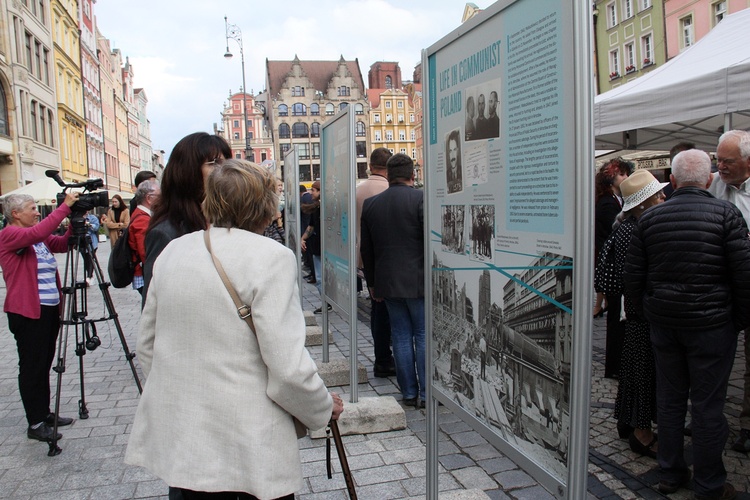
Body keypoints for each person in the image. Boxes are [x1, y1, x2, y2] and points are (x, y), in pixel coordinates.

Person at [125, 159, 343, 499]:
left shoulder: (174, 250)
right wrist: (322, 407)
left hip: (187, 439)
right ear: (266, 206)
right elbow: (287, 366)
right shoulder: (271, 256)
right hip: (249, 439)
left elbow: (148, 345)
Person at [624, 149, 750, 499]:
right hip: (712, 327)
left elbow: (632, 280)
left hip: (666, 325)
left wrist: (650, 310)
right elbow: (744, 276)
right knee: (709, 407)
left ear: (674, 181)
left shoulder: (648, 221)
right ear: (708, 179)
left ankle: (669, 473)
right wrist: (736, 321)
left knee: (670, 401)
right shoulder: (727, 213)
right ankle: (709, 485)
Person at [595, 170, 668, 457]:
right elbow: (637, 276)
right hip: (641, 313)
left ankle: (627, 421)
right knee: (642, 372)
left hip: (633, 312)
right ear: (642, 204)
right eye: (658, 195)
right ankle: (641, 432)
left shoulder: (625, 228)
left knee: (633, 370)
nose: (664, 198)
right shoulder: (636, 230)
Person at [0, 191, 80, 443]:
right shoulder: (10, 234)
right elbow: (37, 233)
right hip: (27, 311)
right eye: (33, 208)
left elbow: (60, 244)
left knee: (44, 363)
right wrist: (64, 208)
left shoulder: (36, 238)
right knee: (32, 366)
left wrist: (75, 226)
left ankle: (44, 413)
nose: (37, 212)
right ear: (15, 214)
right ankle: (34, 422)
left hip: (47, 309)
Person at [361, 153, 425, 408]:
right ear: (412, 175)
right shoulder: (422, 199)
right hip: (418, 281)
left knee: (399, 335)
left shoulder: (372, 204)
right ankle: (427, 393)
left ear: (388, 175)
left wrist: (372, 283)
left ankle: (408, 392)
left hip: (388, 281)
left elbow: (367, 249)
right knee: (421, 334)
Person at [142, 132, 232, 305]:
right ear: (188, 172)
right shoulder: (166, 233)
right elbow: (153, 305)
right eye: (215, 163)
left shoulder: (224, 221)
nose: (225, 170)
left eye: (227, 162)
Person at [707, 129, 750, 454]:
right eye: (718, 159)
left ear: (747, 162)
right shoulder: (711, 185)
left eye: (728, 161)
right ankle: (708, 417)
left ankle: (748, 425)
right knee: (713, 356)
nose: (720, 165)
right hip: (718, 288)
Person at [356, 147, 395, 378]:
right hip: (384, 259)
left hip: (363, 256)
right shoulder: (388, 189)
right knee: (385, 311)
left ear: (371, 166)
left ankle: (381, 355)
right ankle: (384, 358)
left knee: (376, 308)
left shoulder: (359, 190)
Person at [593, 158, 631, 379]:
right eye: (622, 174)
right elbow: (614, 233)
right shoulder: (608, 203)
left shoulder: (615, 199)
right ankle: (615, 366)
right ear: (611, 178)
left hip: (614, 266)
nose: (626, 178)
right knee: (616, 317)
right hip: (613, 268)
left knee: (617, 315)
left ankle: (617, 364)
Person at [127, 179, 160, 296]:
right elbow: (145, 251)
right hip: (142, 272)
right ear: (149, 198)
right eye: (159, 196)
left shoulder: (140, 214)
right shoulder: (142, 219)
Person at [300, 181, 328, 313]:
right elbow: (311, 226)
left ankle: (327, 303)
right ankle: (326, 302)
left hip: (325, 248)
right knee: (320, 278)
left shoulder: (325, 207)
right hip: (318, 248)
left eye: (314, 190)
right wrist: (303, 238)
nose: (312, 193)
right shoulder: (317, 208)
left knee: (321, 278)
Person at [299, 185, 315, 282]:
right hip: (310, 229)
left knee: (309, 254)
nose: (311, 193)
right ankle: (312, 273)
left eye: (313, 190)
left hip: (306, 229)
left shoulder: (302, 199)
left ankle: (313, 274)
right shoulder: (311, 199)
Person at [83, 211, 100, 282]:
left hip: (92, 241)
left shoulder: (92, 218)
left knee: (91, 258)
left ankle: (89, 276)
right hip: (82, 241)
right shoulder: (79, 217)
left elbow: (96, 227)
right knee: (86, 259)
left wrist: (89, 225)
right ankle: (90, 275)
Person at [446, 130, 463, 194]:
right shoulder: (447, 174)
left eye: (454, 150)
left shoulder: (462, 171)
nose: (452, 156)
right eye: (450, 151)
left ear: (458, 151)